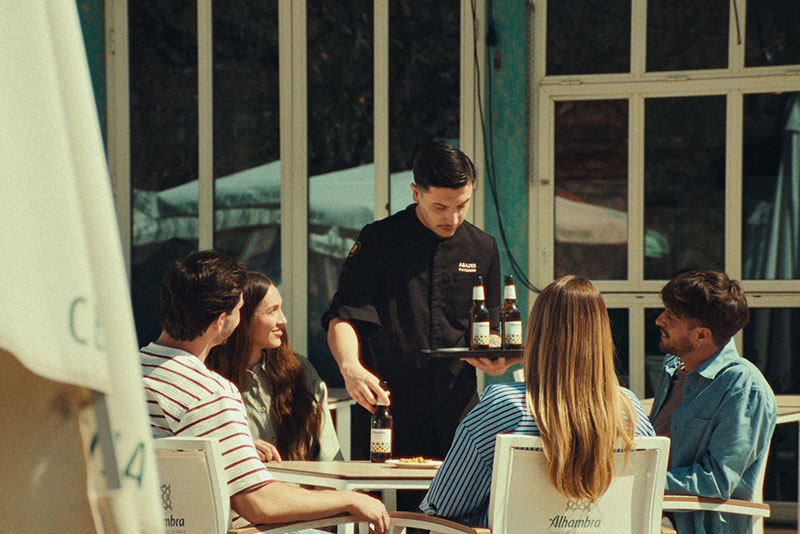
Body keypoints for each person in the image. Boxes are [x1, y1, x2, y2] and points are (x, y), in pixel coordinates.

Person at [140, 250, 388, 531]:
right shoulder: (210, 393)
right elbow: (259, 504)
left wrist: (237, 447)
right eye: (238, 310)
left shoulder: (125, 377)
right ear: (220, 322)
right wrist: (348, 500)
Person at [322, 139, 519, 462]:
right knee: (386, 510)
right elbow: (343, 316)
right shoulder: (379, 240)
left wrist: (496, 356)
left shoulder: (482, 247)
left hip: (458, 414)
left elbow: (490, 327)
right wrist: (350, 367)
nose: (452, 218)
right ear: (416, 193)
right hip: (388, 406)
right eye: (440, 207)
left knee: (455, 511)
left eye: (462, 205)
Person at [419, 275, 655, 526]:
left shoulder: (504, 406)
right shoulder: (630, 411)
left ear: (538, 336)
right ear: (602, 338)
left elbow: (444, 505)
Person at [649, 270, 777, 534]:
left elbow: (716, 481)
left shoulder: (743, 387)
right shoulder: (674, 366)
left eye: (672, 317)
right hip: (652, 508)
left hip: (691, 523)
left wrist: (640, 482)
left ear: (701, 336)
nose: (659, 320)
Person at [207, 271, 342, 462]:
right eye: (272, 311)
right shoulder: (207, 377)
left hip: (301, 490)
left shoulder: (300, 372)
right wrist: (241, 448)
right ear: (241, 318)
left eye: (281, 308)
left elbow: (329, 459)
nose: (283, 320)